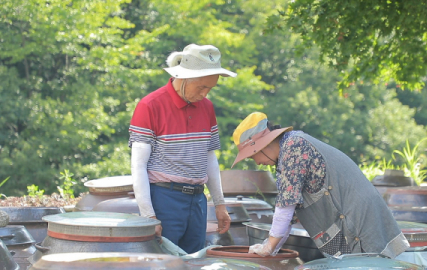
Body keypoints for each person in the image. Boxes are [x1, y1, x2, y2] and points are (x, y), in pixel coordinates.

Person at [231, 112, 409, 258]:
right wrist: (271, 249)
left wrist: (269, 246)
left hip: (358, 222)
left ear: (262, 146)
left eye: (252, 156)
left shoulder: (293, 148)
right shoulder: (290, 148)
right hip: (357, 218)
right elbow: (288, 214)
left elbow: (285, 207)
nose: (256, 161)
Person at [129, 44, 234, 254]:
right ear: (184, 77)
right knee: (163, 263)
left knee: (194, 261)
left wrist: (220, 204)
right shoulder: (150, 106)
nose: (205, 94)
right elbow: (138, 165)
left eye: (210, 88)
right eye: (201, 87)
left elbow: (209, 158)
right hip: (164, 199)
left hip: (197, 200)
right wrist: (148, 216)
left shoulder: (207, 107)